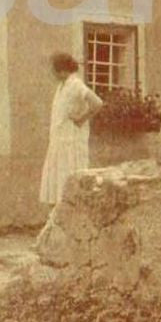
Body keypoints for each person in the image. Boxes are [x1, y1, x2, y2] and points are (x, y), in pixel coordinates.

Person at [39, 53, 103, 207]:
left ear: (61, 69)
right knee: (56, 187)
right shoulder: (62, 86)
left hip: (71, 145)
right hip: (59, 143)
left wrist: (82, 118)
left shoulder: (75, 84)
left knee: (69, 184)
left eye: (53, 69)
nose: (52, 73)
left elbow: (97, 103)